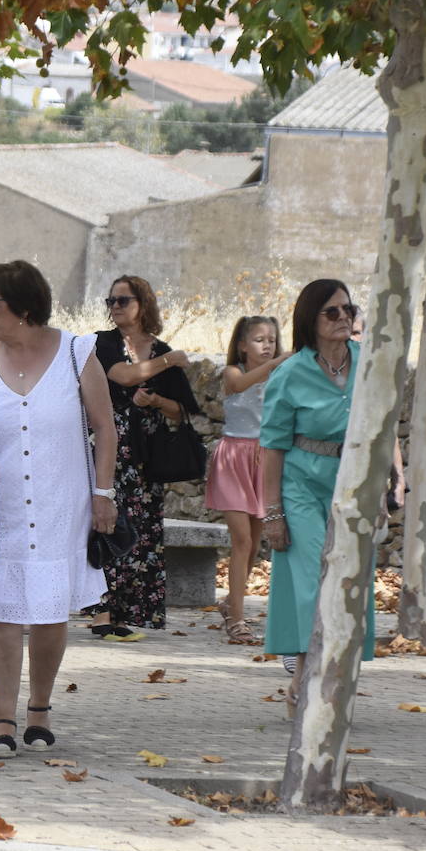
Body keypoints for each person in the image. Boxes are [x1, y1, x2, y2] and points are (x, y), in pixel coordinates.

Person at [0, 262, 117, 758]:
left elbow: (106, 430)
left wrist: (105, 495)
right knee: (3, 614)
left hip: (59, 503)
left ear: (25, 307)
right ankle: (3, 717)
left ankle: (40, 710)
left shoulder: (77, 352)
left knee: (50, 613)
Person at [261, 279, 375, 714]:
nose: (344, 317)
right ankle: (308, 680)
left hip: (354, 486)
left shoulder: (369, 365)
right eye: (332, 311)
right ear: (311, 319)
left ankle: (332, 682)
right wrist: (272, 513)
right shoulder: (289, 373)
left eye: (349, 309)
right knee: (315, 584)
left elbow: (384, 430)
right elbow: (271, 447)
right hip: (301, 488)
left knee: (350, 583)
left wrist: (387, 487)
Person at [86, 275, 198, 641]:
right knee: (106, 525)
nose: (115, 307)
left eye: (123, 300)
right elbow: (122, 375)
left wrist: (156, 402)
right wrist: (168, 361)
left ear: (142, 303)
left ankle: (127, 611)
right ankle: (102, 613)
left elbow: (181, 412)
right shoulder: (102, 344)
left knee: (143, 532)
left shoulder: (160, 349)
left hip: (146, 456)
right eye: (111, 301)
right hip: (110, 450)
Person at [204, 316, 290, 645]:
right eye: (258, 339)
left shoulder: (279, 376)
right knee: (240, 540)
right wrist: (279, 363)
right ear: (242, 345)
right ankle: (237, 619)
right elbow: (239, 386)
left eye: (272, 339)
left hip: (263, 458)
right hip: (233, 458)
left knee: (254, 544)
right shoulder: (233, 372)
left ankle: (231, 602)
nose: (267, 345)